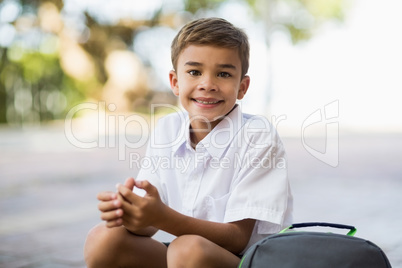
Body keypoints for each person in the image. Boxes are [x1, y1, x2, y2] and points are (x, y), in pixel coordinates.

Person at [84, 17, 293, 268]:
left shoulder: (258, 136)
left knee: (187, 249)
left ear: (242, 87)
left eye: (223, 74)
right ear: (175, 82)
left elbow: (238, 239)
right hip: (185, 258)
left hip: (244, 261)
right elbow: (150, 222)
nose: (207, 84)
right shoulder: (167, 129)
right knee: (102, 239)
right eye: (194, 72)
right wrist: (132, 213)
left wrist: (162, 217)